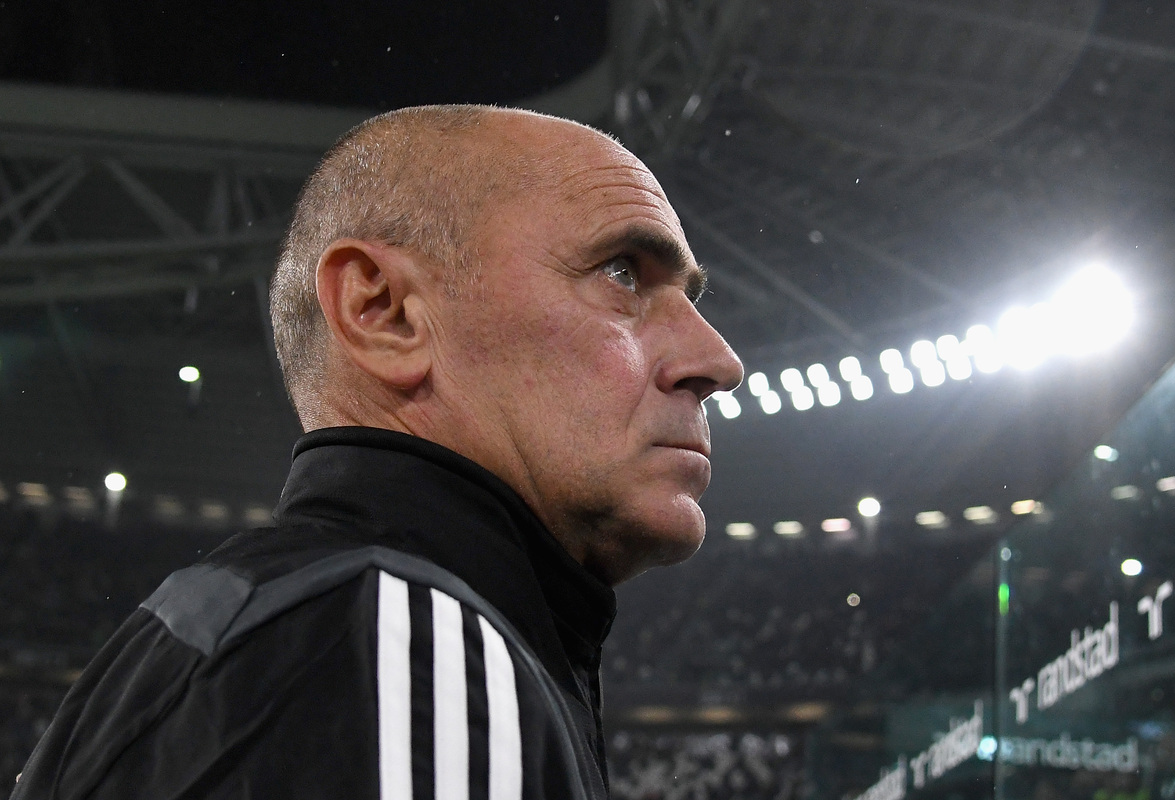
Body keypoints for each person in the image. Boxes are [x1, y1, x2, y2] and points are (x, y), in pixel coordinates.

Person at [12, 105, 742, 800]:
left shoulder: (276, 634)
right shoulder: (394, 644)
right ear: (383, 313)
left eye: (692, 299)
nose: (719, 360)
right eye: (621, 272)